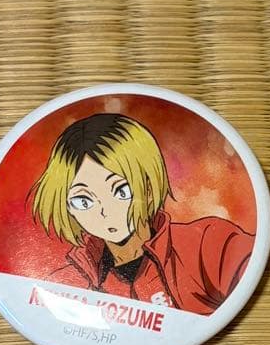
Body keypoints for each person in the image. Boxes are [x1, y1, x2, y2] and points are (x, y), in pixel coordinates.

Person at [28, 113, 253, 315]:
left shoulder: (207, 244)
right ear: (67, 207)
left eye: (121, 190)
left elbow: (248, 271)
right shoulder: (65, 283)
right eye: (84, 201)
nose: (105, 211)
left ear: (148, 186)